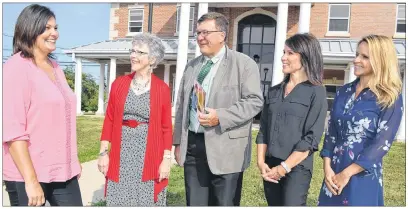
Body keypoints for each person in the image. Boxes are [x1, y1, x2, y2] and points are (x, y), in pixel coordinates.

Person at [173, 12, 264, 206]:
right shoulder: (192, 66)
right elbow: (182, 105)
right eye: (198, 33)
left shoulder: (244, 64)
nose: (199, 37)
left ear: (222, 35)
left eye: (205, 32)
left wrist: (220, 117)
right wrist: (178, 142)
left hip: (227, 149)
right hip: (193, 147)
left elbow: (254, 101)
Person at [3, 4, 83, 206]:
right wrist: (31, 181)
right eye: (46, 28)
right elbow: (12, 131)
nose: (54, 33)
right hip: (26, 175)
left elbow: (62, 118)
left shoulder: (56, 68)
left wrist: (72, 162)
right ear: (30, 29)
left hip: (63, 172)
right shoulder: (15, 68)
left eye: (55, 28)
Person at [317, 35, 403, 206]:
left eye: (364, 57)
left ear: (380, 61)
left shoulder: (389, 98)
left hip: (362, 175)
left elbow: (382, 144)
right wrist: (327, 168)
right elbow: (331, 133)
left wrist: (346, 174)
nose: (356, 60)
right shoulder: (343, 92)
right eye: (357, 54)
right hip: (333, 173)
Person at [97, 33, 172, 206]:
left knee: (145, 199)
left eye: (139, 52)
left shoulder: (162, 89)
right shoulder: (119, 84)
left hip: (150, 152)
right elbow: (109, 120)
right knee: (120, 199)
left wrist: (166, 160)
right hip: (121, 151)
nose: (133, 55)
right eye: (132, 51)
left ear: (152, 59)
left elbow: (166, 128)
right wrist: (103, 153)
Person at [256, 33, 328, 206]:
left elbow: (311, 138)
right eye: (283, 52)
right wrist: (261, 162)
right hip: (270, 165)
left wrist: (284, 168)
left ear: (306, 56)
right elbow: (264, 129)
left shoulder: (316, 92)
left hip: (297, 168)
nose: (283, 58)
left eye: (290, 53)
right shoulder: (273, 92)